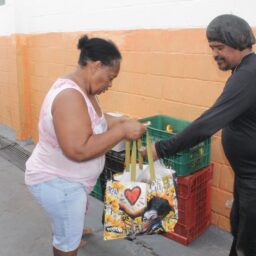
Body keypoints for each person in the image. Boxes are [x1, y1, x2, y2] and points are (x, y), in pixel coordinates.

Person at [143, 14, 256, 256]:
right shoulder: (243, 70)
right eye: (212, 48)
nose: (215, 54)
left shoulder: (248, 75)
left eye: (220, 47)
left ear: (238, 42)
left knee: (249, 243)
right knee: (239, 228)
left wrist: (160, 148)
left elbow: (207, 123)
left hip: (254, 178)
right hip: (247, 175)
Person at [25, 35, 146, 256]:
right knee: (66, 244)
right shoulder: (70, 97)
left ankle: (71, 228)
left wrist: (120, 122)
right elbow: (78, 150)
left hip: (69, 181)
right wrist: (121, 131)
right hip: (57, 182)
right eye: (110, 77)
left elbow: (95, 120)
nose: (110, 84)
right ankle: (67, 239)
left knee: (68, 221)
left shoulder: (84, 90)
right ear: (96, 65)